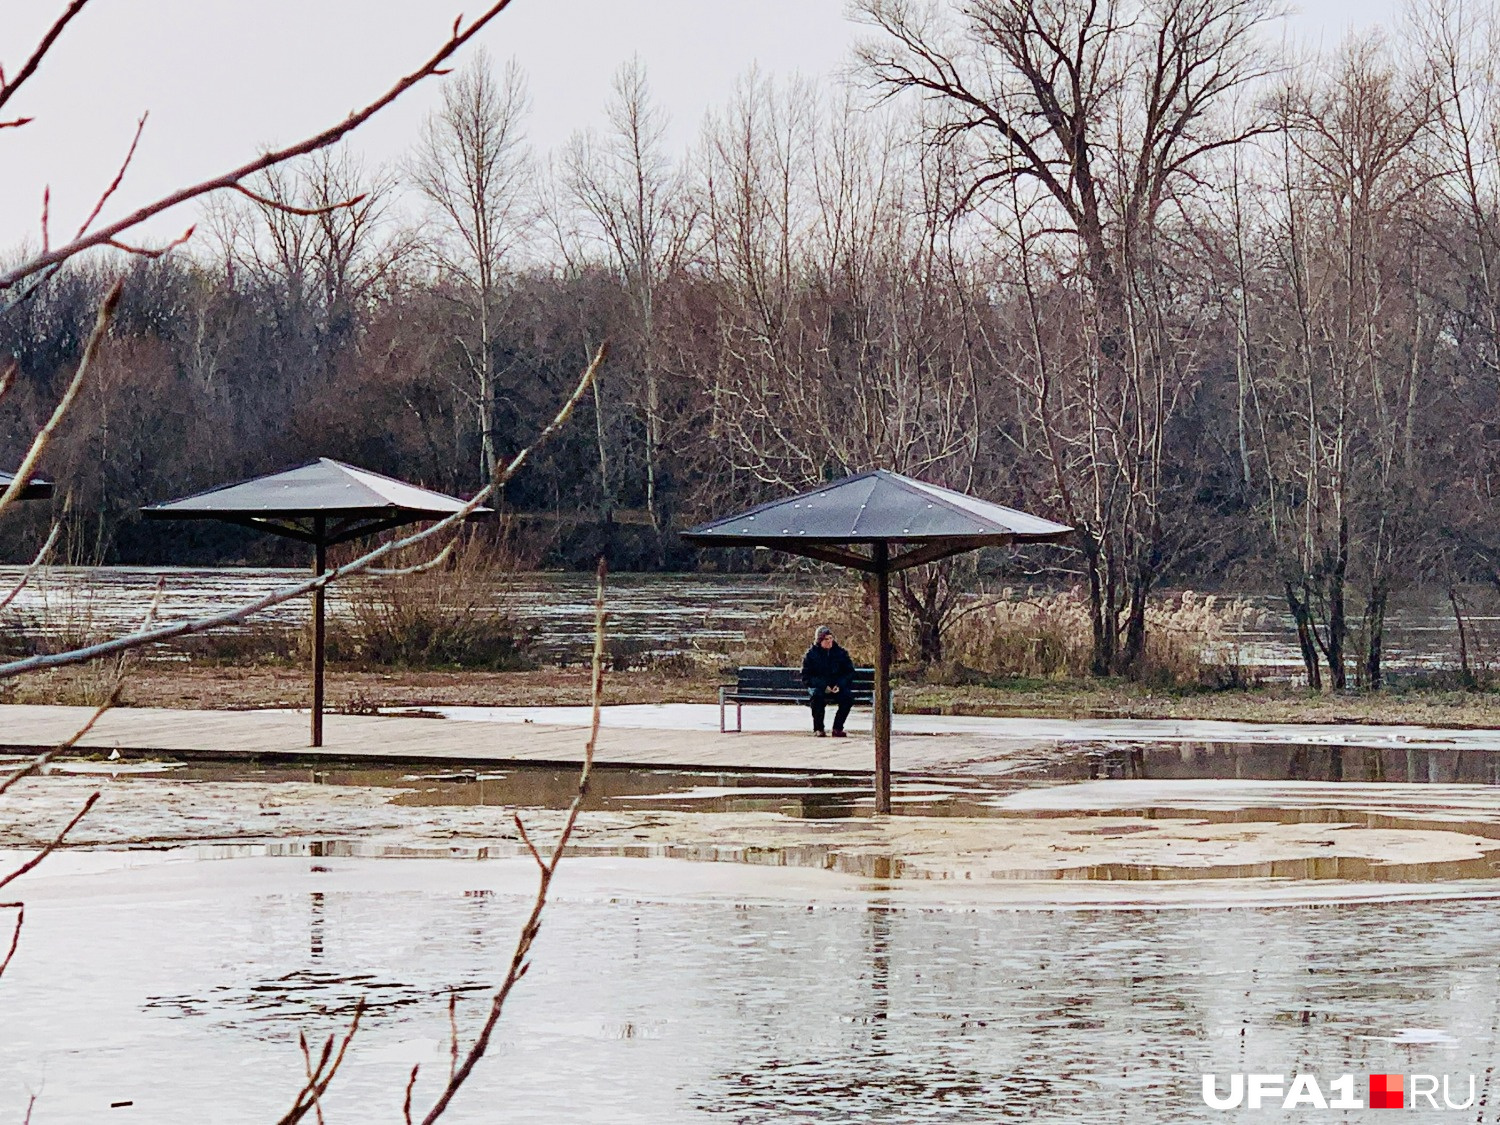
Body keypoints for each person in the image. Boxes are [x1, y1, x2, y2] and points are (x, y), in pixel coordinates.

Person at [801, 624, 855, 737]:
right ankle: (818, 728)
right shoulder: (811, 655)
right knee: (817, 698)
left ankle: (837, 728)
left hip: (837, 687)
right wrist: (823, 686)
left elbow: (849, 672)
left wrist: (839, 685)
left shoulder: (840, 653)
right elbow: (807, 676)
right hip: (820, 688)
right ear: (820, 641)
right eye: (826, 639)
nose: (829, 641)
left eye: (831, 638)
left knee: (847, 698)